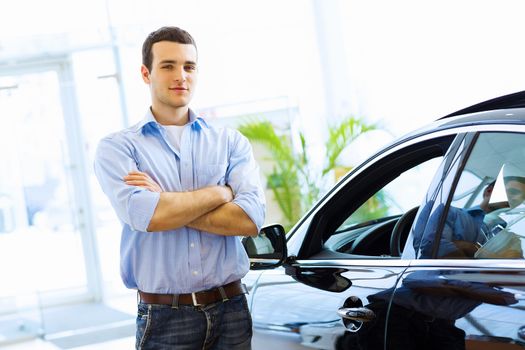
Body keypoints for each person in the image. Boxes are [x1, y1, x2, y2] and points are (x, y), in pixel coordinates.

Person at [94, 26, 265, 350]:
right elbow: (146, 218)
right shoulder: (118, 149)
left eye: (189, 66)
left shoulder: (229, 142)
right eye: (168, 65)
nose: (180, 76)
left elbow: (249, 220)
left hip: (232, 309)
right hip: (164, 317)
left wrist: (164, 201)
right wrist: (220, 193)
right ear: (146, 74)